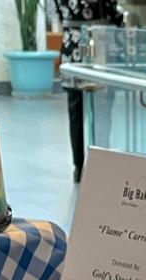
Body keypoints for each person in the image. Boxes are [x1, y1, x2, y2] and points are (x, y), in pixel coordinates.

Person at [53, 0, 125, 182]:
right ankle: (101, 161)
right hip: (100, 43)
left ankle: (79, 166)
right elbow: (115, 15)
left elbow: (57, 15)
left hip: (73, 44)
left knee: (76, 109)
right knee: (102, 107)